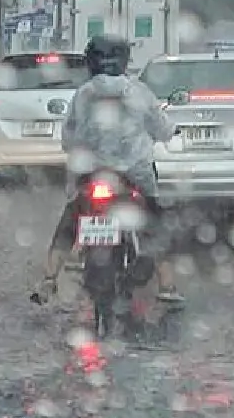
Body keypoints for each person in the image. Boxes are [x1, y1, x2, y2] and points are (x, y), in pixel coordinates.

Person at [35, 34, 179, 307]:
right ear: (124, 60)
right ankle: (167, 284)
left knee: (70, 219)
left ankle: (49, 278)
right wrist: (171, 131)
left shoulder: (83, 94)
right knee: (154, 220)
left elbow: (68, 138)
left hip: (89, 173)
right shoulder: (140, 92)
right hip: (135, 173)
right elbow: (162, 128)